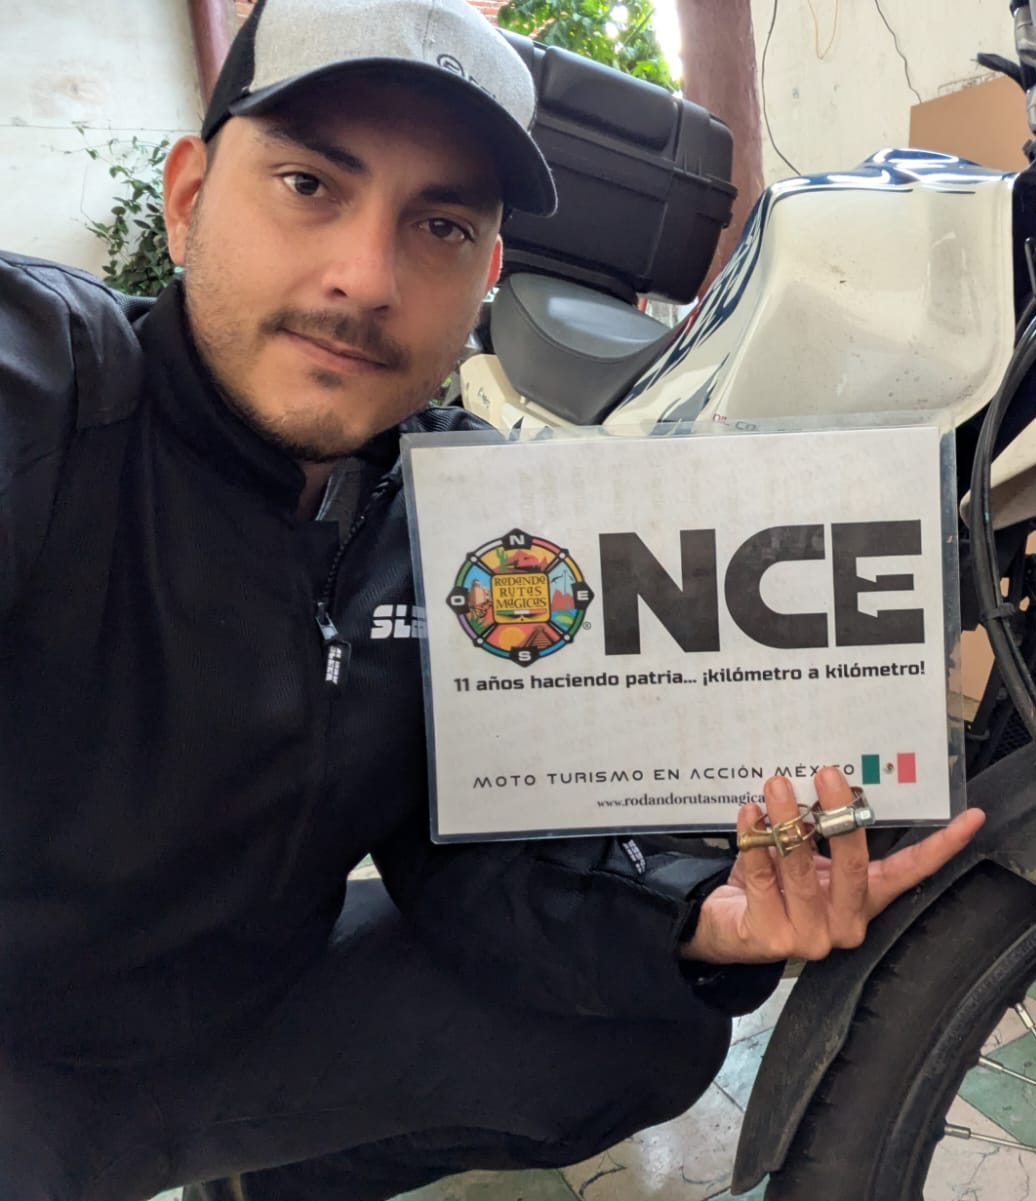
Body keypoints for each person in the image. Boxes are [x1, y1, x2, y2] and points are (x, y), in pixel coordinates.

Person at [0, 1, 985, 1198]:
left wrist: (695, 915)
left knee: (650, 1029)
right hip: (21, 1062)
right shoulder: (45, 391)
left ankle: (273, 1176)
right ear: (190, 195)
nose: (365, 277)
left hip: (243, 1023)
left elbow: (472, 862)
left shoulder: (467, 515)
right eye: (309, 185)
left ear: (488, 274)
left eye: (441, 224)